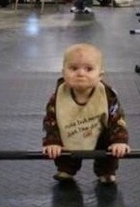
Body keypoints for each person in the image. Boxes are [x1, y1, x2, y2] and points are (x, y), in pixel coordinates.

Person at [42, 43, 130, 185]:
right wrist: (52, 142)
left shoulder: (107, 95)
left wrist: (119, 141)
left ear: (100, 75)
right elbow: (51, 120)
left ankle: (106, 171)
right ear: (63, 73)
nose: (81, 73)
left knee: (110, 148)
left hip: (100, 134)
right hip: (70, 132)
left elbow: (117, 118)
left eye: (89, 69)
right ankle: (66, 169)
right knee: (62, 148)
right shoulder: (58, 97)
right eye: (73, 68)